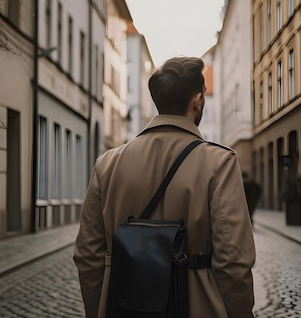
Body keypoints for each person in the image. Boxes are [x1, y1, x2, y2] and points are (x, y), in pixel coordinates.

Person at [74, 56, 256, 318]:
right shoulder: (220, 163)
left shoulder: (107, 164)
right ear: (197, 100)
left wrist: (97, 311)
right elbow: (233, 262)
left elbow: (87, 255)